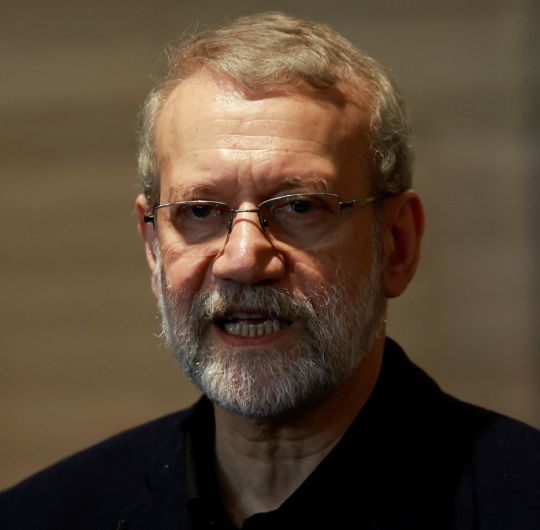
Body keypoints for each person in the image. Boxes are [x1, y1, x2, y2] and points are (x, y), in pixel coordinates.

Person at [1, 11, 539, 530]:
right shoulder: (36, 517)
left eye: (300, 206)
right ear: (154, 248)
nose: (243, 260)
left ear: (397, 243)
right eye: (200, 211)